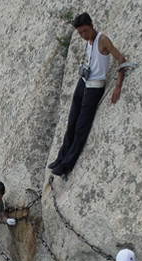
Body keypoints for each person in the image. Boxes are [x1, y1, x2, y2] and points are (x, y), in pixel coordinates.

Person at [48, 12, 126, 177]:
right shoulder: (89, 42)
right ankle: (61, 157)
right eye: (80, 33)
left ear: (91, 25)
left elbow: (121, 59)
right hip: (83, 83)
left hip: (95, 88)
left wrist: (117, 85)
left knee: (81, 127)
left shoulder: (102, 40)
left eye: (85, 31)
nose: (83, 35)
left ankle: (66, 164)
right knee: (71, 122)